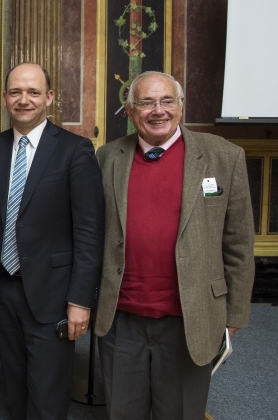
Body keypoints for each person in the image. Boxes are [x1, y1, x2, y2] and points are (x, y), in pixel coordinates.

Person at [94, 71, 255, 420]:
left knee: (181, 414)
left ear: (181, 106)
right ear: (130, 110)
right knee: (122, 413)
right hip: (121, 316)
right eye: (146, 102)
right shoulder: (106, 159)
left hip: (190, 317)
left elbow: (239, 243)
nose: (158, 110)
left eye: (167, 101)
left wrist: (236, 312)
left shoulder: (224, 157)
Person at [0, 63, 105, 420]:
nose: (23, 99)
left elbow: (90, 233)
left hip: (55, 293)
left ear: (49, 98)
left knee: (48, 395)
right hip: (4, 290)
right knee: (13, 387)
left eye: (33, 92)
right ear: (4, 99)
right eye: (15, 92)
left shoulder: (76, 151)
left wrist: (81, 299)